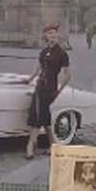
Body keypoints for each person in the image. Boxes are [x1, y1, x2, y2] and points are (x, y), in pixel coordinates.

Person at [24, 22, 70, 159]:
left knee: (38, 115)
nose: (53, 35)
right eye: (50, 33)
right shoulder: (43, 52)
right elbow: (38, 68)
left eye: (54, 33)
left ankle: (30, 145)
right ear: (46, 36)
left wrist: (59, 91)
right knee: (41, 115)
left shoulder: (61, 53)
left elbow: (67, 75)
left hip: (50, 88)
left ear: (57, 35)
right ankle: (53, 144)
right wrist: (29, 79)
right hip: (40, 86)